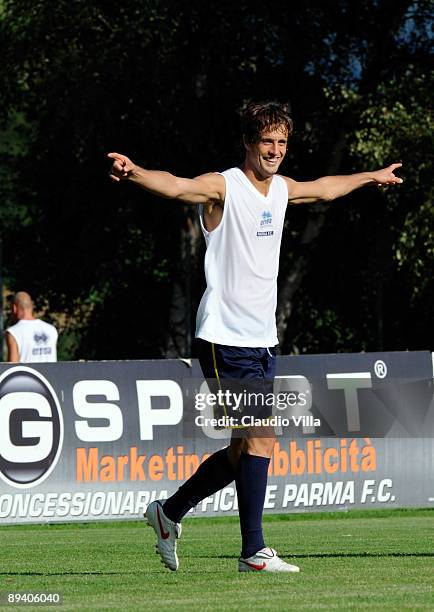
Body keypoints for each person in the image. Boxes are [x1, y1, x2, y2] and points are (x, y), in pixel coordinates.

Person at [108, 101, 403, 573]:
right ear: (248, 143)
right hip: (224, 338)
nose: (275, 150)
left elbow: (324, 189)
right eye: (267, 141)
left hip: (262, 341)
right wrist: (136, 172)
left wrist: (371, 176)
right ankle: (253, 552)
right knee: (262, 437)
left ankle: (169, 513)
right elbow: (178, 185)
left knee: (244, 448)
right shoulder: (225, 186)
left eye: (282, 142)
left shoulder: (282, 190)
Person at [5, 291, 58, 363]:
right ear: (31, 307)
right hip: (52, 374)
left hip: (26, 374)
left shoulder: (13, 332)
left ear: (14, 308)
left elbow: (12, 368)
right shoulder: (51, 330)